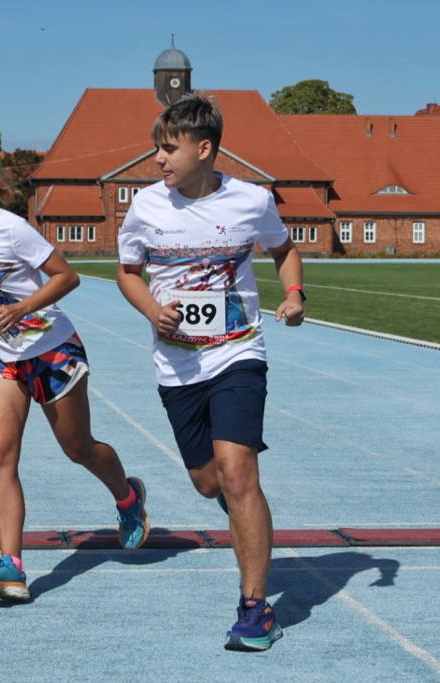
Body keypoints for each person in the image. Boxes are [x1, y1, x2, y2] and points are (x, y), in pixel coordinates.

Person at [116, 92, 305, 651]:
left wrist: (293, 294)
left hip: (237, 352)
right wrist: (153, 310)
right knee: (209, 482)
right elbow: (127, 272)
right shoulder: (146, 207)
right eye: (156, 149)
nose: (158, 160)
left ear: (205, 149)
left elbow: (283, 249)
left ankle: (254, 608)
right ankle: (242, 513)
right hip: (177, 365)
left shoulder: (251, 200)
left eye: (168, 149)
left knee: (238, 471)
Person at [0, 141, 149, 602]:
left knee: (79, 448)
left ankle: (128, 497)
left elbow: (66, 277)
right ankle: (11, 566)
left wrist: (22, 309)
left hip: (51, 350)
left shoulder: (13, 230)